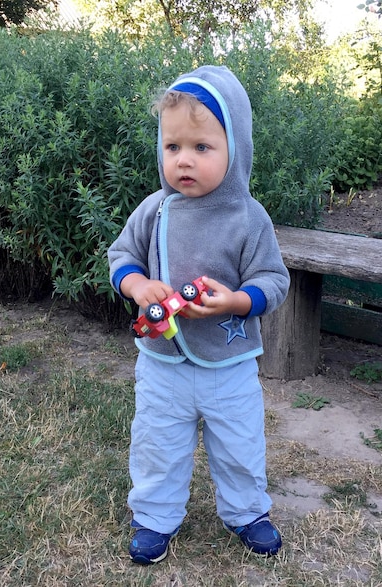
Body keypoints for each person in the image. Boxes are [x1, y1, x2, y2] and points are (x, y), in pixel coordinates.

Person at [108, 65, 290, 565]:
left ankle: (247, 511)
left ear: (235, 148)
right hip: (162, 364)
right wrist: (139, 285)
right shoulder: (154, 211)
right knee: (157, 444)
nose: (183, 160)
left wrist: (235, 302)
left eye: (201, 148)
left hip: (228, 365)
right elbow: (121, 256)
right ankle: (154, 516)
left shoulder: (248, 218)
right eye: (173, 147)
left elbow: (274, 281)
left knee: (239, 444)